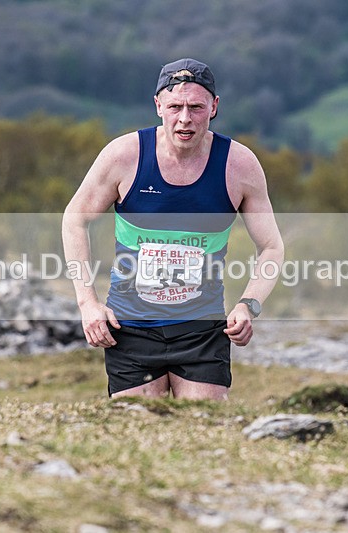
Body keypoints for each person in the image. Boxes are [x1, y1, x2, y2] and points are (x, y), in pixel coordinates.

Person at [62, 58, 284, 400]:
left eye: (196, 107)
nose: (185, 119)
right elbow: (74, 219)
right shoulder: (124, 156)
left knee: (204, 432)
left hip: (201, 329)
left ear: (214, 107)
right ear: (158, 106)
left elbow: (271, 246)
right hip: (130, 326)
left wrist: (247, 305)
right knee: (134, 431)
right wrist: (87, 303)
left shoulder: (239, 165)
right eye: (175, 106)